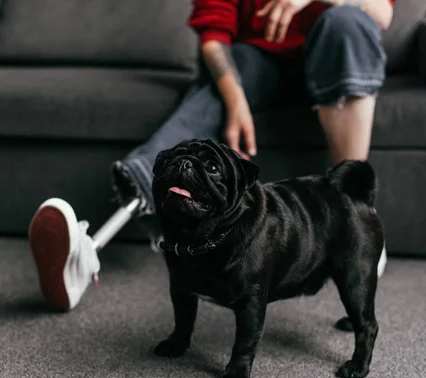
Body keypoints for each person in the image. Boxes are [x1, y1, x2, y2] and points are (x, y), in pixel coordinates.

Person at [28, 0, 395, 311]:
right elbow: (214, 36)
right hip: (259, 66)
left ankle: (354, 218)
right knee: (236, 64)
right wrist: (235, 102)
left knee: (346, 20)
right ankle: (90, 250)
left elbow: (381, 12)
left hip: (335, 57)